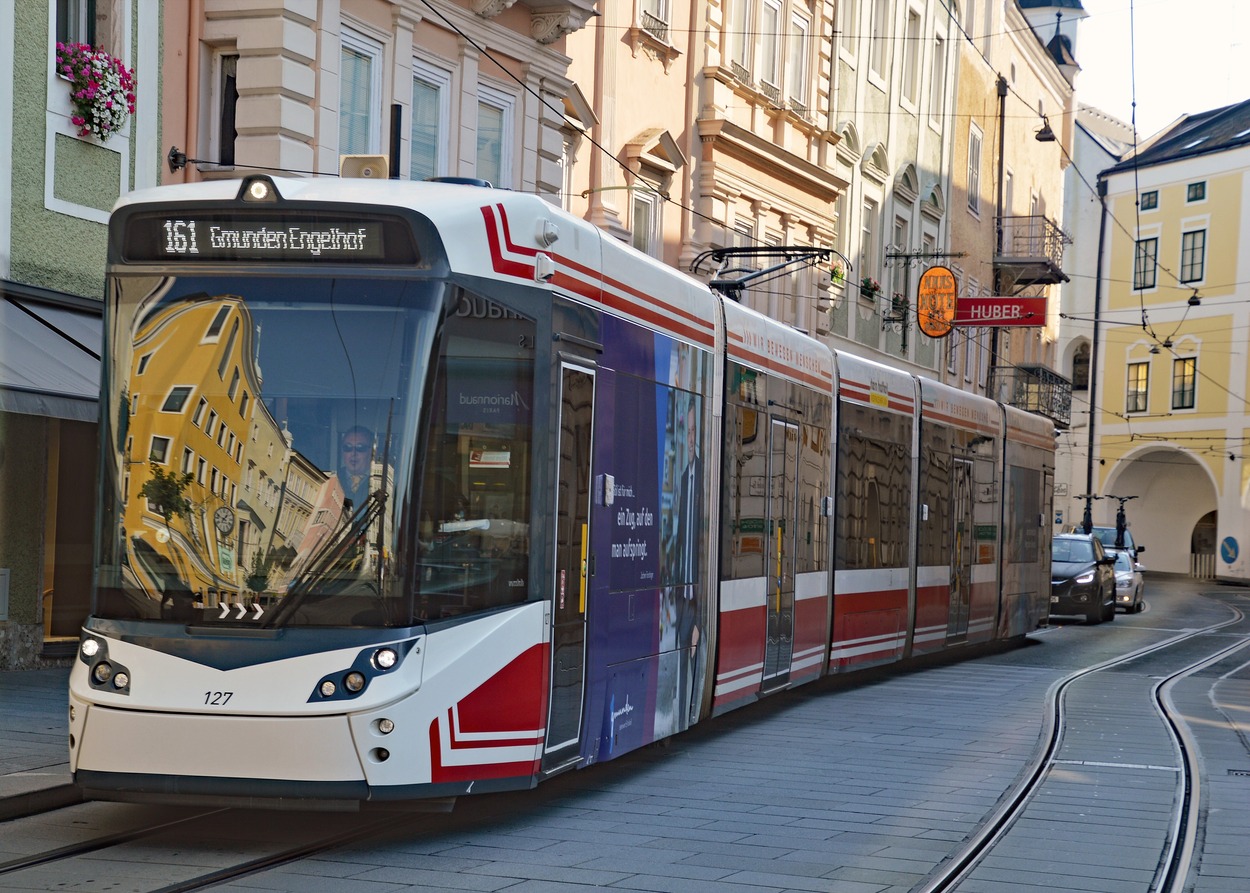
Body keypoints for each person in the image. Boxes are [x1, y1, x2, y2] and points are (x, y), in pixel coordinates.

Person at [337, 425, 374, 512]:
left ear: (371, 452)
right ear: (342, 452)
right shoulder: (332, 479)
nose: (353, 453)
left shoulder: (381, 481)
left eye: (360, 448)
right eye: (348, 448)